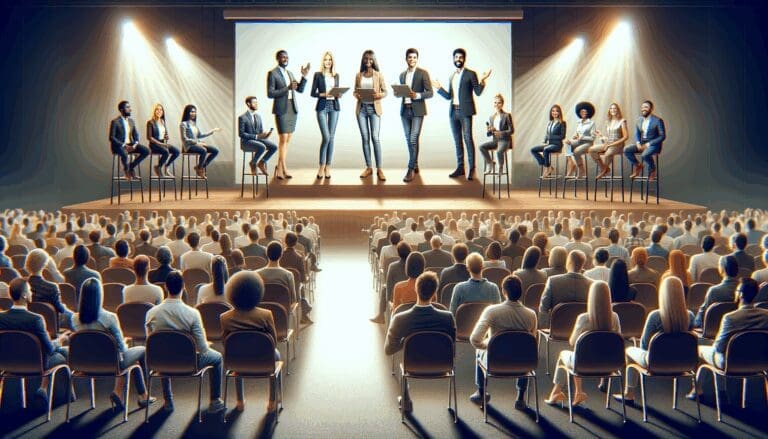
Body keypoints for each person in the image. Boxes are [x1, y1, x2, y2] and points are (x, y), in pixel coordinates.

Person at [145, 271, 224, 413]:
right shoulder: (192, 313)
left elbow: (152, 344)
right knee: (217, 357)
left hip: (162, 362)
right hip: (189, 363)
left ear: (165, 287)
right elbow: (203, 348)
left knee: (164, 351)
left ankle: (168, 401)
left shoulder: (151, 313)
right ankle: (215, 400)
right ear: (183, 287)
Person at [73, 278, 155, 410]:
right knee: (140, 351)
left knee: (132, 364)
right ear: (100, 295)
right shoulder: (110, 317)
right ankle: (140, 395)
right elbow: (121, 347)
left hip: (85, 364)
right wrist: (126, 344)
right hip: (111, 363)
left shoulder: (75, 319)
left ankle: (129, 394)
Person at [384, 272, 456, 413]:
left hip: (413, 365)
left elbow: (388, 349)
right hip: (442, 365)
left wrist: (405, 342)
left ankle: (405, 399)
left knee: (403, 363)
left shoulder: (400, 318)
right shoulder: (448, 317)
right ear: (435, 292)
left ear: (416, 289)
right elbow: (452, 344)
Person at [614, 277, 694, 402]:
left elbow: (644, 346)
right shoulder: (689, 315)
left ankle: (629, 393)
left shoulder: (655, 316)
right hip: (683, 363)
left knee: (629, 350)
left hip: (655, 362)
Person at [689, 278, 768, 400]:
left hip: (731, 363)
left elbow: (718, 348)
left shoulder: (730, 318)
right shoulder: (766, 315)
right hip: (760, 362)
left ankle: (699, 391)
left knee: (699, 349)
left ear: (740, 294)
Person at [545, 281, 621, 407]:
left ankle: (561, 392)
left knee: (565, 354)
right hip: (610, 364)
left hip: (583, 364)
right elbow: (618, 340)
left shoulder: (584, 318)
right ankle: (575, 393)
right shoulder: (615, 317)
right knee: (578, 354)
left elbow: (573, 342)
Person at [0, 278, 70, 408]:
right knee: (62, 353)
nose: (32, 293)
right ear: (24, 295)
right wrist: (59, 341)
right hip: (36, 364)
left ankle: (44, 389)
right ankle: (63, 397)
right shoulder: (36, 319)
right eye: (29, 291)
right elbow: (49, 349)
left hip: (7, 364)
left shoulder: (1, 318)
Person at [470, 275, 537, 409]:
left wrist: (488, 346)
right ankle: (520, 397)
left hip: (496, 361)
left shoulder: (492, 311)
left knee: (479, 349)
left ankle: (481, 392)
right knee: (525, 352)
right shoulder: (531, 314)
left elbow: (475, 339)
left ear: (503, 292)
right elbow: (531, 345)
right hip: (521, 364)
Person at [220, 271, 281, 412]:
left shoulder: (225, 317)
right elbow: (274, 342)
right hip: (264, 359)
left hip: (238, 361)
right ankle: (272, 401)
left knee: (235, 355)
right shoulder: (266, 314)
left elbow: (226, 343)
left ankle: (240, 400)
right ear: (257, 292)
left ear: (231, 292)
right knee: (276, 355)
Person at [434, 48, 490, 181]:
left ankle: (472, 169)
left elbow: (478, 92)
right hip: (453, 112)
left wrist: (483, 80)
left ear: (464, 59)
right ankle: (460, 168)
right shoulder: (452, 76)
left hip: (465, 112)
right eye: (456, 57)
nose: (458, 59)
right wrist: (439, 88)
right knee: (457, 141)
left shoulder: (471, 74)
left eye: (460, 57)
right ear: (453, 59)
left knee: (468, 139)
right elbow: (449, 96)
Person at [267, 50, 309, 179]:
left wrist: (304, 77)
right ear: (278, 59)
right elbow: (270, 93)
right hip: (281, 108)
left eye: (286, 57)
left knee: (287, 139)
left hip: (292, 108)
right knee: (283, 139)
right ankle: (284, 168)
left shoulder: (290, 73)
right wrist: (287, 88)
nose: (285, 59)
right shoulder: (272, 73)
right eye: (282, 57)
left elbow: (300, 90)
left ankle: (278, 167)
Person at [398, 48, 433, 182]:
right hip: (404, 110)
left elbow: (430, 93)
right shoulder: (402, 75)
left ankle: (410, 169)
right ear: (406, 59)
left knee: (413, 139)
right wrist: (398, 93)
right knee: (409, 140)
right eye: (409, 57)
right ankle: (416, 164)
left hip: (417, 110)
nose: (412, 59)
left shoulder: (423, 73)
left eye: (414, 57)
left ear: (417, 59)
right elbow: (402, 92)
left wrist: (417, 95)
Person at [354, 50, 388, 181]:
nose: (368, 61)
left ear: (374, 60)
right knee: (365, 138)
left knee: (375, 137)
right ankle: (369, 167)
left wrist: (380, 95)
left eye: (371, 59)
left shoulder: (378, 75)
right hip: (361, 109)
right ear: (363, 60)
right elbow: (355, 91)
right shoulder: (359, 75)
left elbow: (385, 91)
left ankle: (379, 169)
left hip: (374, 109)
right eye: (366, 59)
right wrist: (356, 95)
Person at [310, 52, 341, 179]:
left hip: (334, 106)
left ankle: (328, 166)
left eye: (330, 60)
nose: (328, 62)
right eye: (325, 60)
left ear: (332, 62)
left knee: (331, 137)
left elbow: (337, 91)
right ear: (323, 62)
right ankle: (321, 166)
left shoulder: (336, 75)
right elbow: (313, 93)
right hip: (322, 107)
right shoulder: (318, 75)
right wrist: (324, 94)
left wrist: (338, 94)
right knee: (326, 137)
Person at [539, 250, 591, 326]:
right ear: (583, 265)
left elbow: (543, 309)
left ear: (568, 262)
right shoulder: (592, 284)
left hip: (556, 329)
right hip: (582, 331)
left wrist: (545, 328)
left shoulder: (553, 281)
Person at [26, 249, 74, 326]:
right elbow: (60, 309)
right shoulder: (52, 287)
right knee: (73, 317)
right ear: (44, 265)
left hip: (28, 322)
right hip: (50, 324)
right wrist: (63, 306)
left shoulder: (22, 284)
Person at [694, 255, 740, 327]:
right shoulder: (743, 289)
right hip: (737, 328)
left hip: (713, 330)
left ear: (722, 269)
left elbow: (704, 315)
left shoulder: (714, 291)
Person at [371, 241, 411, 323]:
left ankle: (381, 316)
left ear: (398, 253)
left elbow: (389, 284)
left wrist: (388, 299)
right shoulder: (413, 264)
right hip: (413, 294)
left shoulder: (393, 266)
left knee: (384, 289)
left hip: (397, 296)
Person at [109, 100, 150, 180]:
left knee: (146, 151)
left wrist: (134, 145)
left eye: (129, 107)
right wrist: (124, 145)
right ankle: (127, 170)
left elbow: (136, 135)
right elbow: (112, 137)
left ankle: (130, 167)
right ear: (121, 110)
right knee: (124, 153)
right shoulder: (115, 122)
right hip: (119, 146)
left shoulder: (131, 121)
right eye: (127, 107)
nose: (130, 109)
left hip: (131, 144)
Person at [625, 100, 666, 180]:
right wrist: (637, 143)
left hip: (654, 145)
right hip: (642, 144)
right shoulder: (639, 120)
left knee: (644, 155)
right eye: (642, 107)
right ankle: (638, 166)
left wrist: (648, 144)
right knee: (627, 150)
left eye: (646, 107)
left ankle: (652, 169)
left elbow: (662, 136)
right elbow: (637, 133)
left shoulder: (657, 120)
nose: (644, 109)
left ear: (651, 108)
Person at [238, 96, 277, 176]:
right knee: (262, 146)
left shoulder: (258, 117)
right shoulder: (242, 117)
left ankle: (261, 162)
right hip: (246, 142)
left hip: (258, 140)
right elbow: (241, 134)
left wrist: (265, 135)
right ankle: (253, 163)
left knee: (274, 147)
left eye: (257, 102)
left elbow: (260, 132)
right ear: (248, 104)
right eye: (254, 102)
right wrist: (256, 136)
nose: (256, 104)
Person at [180, 104, 220, 178]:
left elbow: (200, 135)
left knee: (215, 151)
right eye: (191, 112)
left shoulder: (194, 124)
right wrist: (197, 142)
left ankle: (200, 167)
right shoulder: (183, 124)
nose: (193, 113)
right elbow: (184, 139)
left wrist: (212, 131)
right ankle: (200, 169)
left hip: (197, 144)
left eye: (195, 112)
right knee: (203, 150)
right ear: (187, 112)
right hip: (189, 146)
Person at [478, 94, 514, 175]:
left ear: (502, 104)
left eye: (499, 103)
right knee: (481, 147)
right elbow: (489, 134)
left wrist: (500, 132)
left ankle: (500, 167)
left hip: (505, 141)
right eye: (495, 103)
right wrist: (489, 130)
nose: (497, 105)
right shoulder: (492, 117)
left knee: (498, 152)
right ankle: (490, 163)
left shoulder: (507, 115)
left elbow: (511, 131)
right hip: (495, 140)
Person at [590, 103, 628, 180]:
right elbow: (609, 138)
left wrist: (611, 145)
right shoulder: (608, 122)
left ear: (618, 110)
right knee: (591, 150)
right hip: (609, 143)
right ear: (609, 110)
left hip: (618, 144)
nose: (613, 110)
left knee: (607, 154)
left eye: (615, 108)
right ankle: (604, 168)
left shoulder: (622, 121)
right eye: (611, 108)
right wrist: (601, 136)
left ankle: (604, 170)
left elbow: (626, 137)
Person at [530, 105, 566, 178]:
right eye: (553, 111)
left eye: (556, 111)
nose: (554, 112)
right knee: (533, 150)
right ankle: (548, 166)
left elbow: (562, 136)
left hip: (557, 145)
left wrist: (551, 137)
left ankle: (547, 168)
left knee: (546, 149)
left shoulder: (562, 123)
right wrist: (544, 141)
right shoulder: (550, 122)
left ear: (559, 112)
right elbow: (547, 134)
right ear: (551, 112)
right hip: (549, 144)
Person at [146, 103, 180, 177]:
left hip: (162, 143)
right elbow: (149, 137)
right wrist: (161, 144)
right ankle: (158, 167)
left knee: (177, 151)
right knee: (166, 151)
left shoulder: (163, 122)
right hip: (154, 145)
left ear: (163, 112)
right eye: (157, 109)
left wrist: (166, 136)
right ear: (154, 111)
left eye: (161, 110)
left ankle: (167, 166)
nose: (159, 111)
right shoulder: (150, 122)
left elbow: (164, 134)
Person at [564, 102, 596, 178]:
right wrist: (573, 138)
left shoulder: (591, 123)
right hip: (579, 142)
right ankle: (571, 164)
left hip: (588, 143)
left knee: (576, 152)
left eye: (585, 111)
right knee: (567, 144)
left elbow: (592, 138)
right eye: (581, 111)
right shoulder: (579, 122)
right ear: (579, 112)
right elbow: (577, 134)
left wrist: (582, 137)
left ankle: (581, 169)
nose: (583, 113)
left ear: (588, 112)